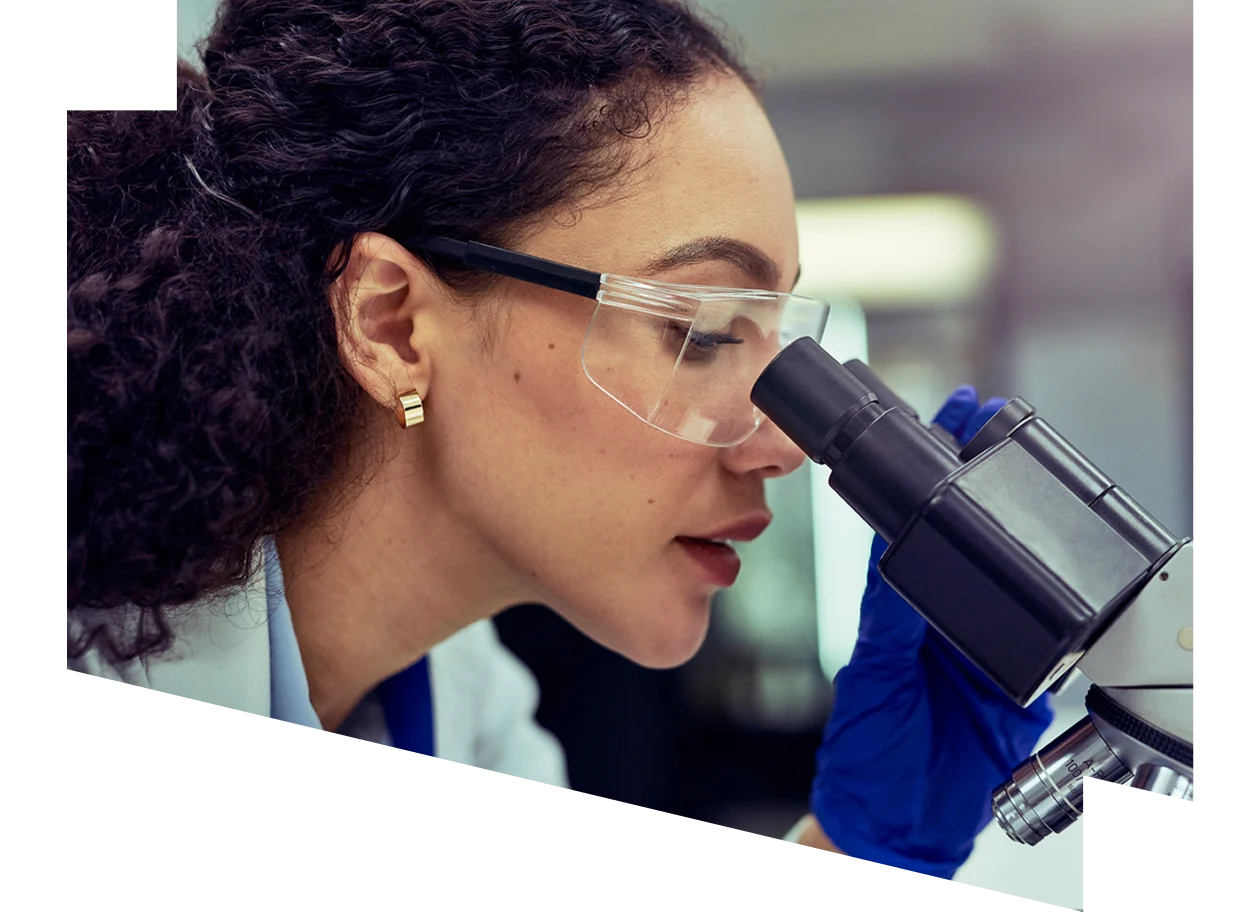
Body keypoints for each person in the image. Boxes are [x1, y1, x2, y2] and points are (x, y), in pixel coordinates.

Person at [64, 0, 1053, 876]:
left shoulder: (472, 709)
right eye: (702, 331)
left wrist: (857, 846)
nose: (780, 446)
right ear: (391, 324)